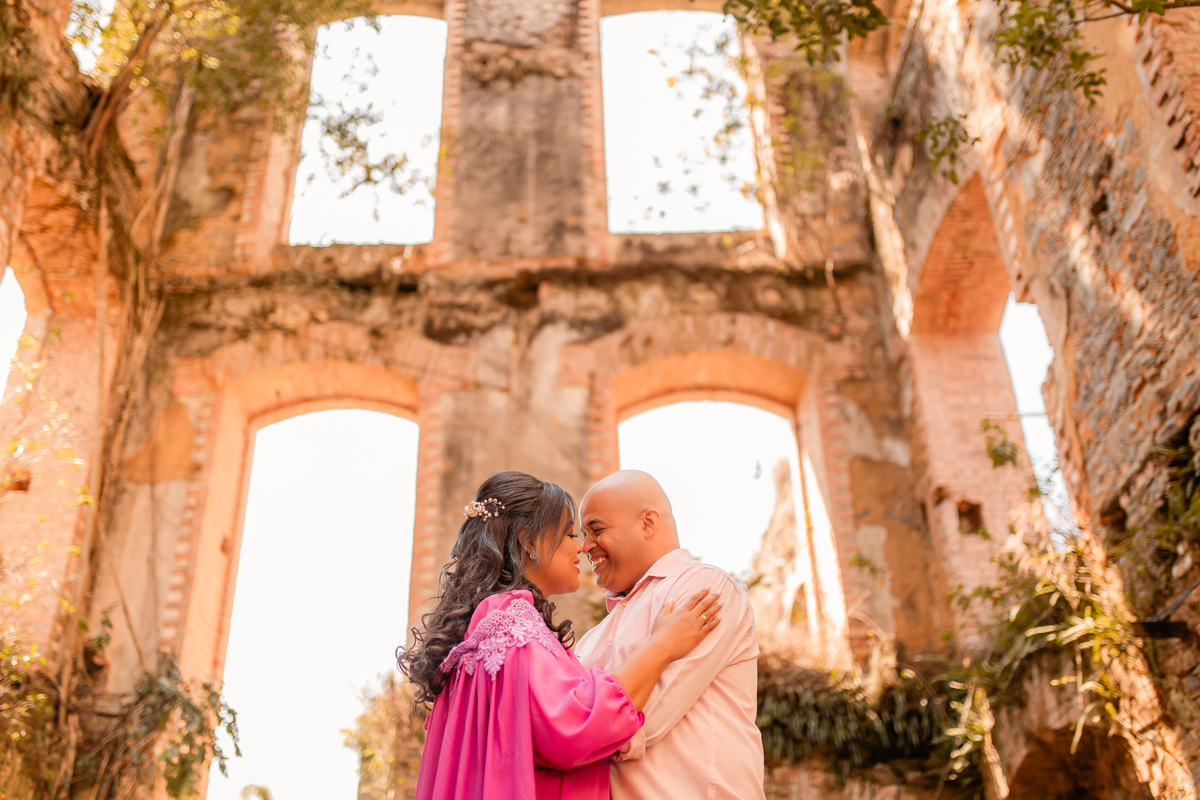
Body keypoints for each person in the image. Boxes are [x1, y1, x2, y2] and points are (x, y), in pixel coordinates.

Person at [400, 470, 723, 800]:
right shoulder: (510, 618)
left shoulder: (495, 622)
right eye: (570, 534)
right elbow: (574, 726)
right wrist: (662, 646)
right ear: (529, 542)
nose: (581, 547)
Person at [574, 470, 766, 800]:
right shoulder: (590, 639)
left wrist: (577, 733)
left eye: (597, 530)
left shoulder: (703, 588)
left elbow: (640, 721)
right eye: (582, 534)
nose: (585, 546)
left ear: (648, 523)